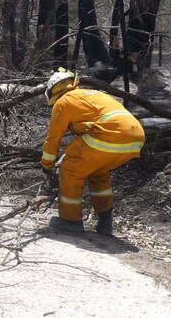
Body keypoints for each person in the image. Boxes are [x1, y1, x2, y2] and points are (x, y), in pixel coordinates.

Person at [40, 68, 146, 236]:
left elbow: (53, 139)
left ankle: (70, 220)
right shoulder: (92, 94)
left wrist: (47, 165)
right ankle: (105, 223)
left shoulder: (63, 102)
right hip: (136, 137)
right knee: (97, 170)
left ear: (53, 92)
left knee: (70, 168)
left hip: (108, 134)